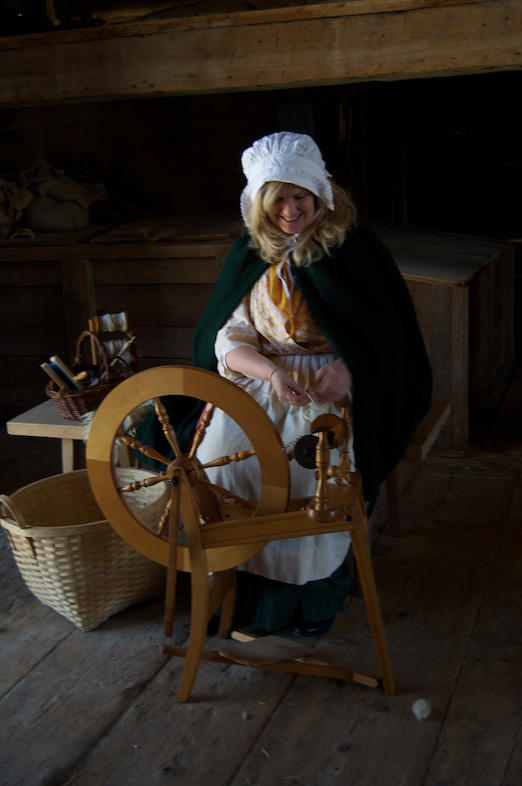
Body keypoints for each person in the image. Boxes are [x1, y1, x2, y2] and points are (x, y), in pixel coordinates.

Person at [139, 132, 432, 635]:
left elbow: (389, 337)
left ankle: (309, 604)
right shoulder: (250, 252)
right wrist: (273, 373)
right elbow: (228, 337)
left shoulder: (354, 248)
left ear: (320, 192)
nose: (290, 210)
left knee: (310, 473)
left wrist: (350, 368)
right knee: (222, 461)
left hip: (332, 383)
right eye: (277, 199)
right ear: (259, 202)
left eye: (300, 196)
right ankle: (232, 592)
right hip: (260, 379)